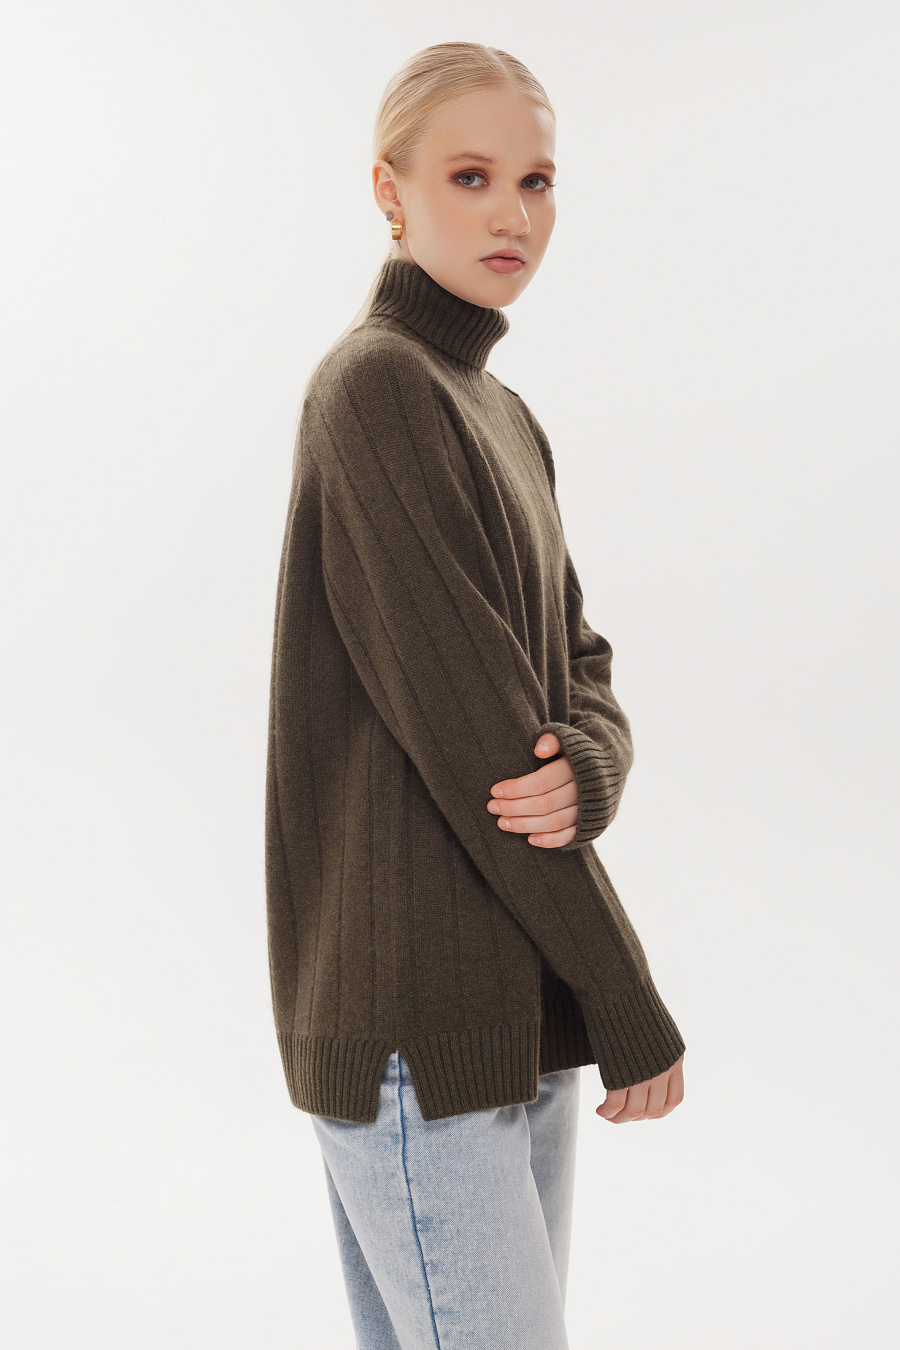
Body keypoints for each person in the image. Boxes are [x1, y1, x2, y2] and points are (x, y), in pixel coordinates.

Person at [264, 40, 686, 1350]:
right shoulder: (379, 390)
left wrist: (592, 766)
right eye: (471, 175)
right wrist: (629, 1002)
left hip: (512, 1015)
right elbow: (490, 750)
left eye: (537, 179)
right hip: (418, 1029)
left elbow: (580, 669)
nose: (514, 213)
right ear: (388, 191)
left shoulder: (498, 410)